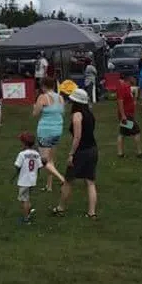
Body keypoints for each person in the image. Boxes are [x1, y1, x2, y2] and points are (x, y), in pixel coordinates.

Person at [52, 89, 99, 219]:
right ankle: (92, 212)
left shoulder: (77, 115)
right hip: (93, 149)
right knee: (90, 182)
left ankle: (60, 208)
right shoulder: (90, 114)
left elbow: (77, 137)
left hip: (81, 151)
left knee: (68, 181)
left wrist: (71, 154)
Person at [14, 132, 64, 225]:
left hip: (24, 181)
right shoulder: (36, 154)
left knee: (24, 199)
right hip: (32, 180)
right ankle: (28, 212)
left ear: (24, 143)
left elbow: (17, 165)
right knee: (27, 197)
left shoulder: (22, 154)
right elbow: (40, 165)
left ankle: (26, 219)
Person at [32, 77, 64, 192]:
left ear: (43, 86)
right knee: (51, 160)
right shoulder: (60, 98)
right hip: (57, 130)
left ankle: (62, 179)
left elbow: (35, 113)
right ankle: (49, 186)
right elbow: (61, 112)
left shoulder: (42, 97)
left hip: (45, 131)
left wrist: (35, 106)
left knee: (44, 160)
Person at [116, 75, 142, 158]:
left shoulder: (128, 88)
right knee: (136, 131)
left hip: (128, 114)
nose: (135, 81)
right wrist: (123, 115)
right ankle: (139, 152)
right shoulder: (123, 87)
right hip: (126, 115)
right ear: (129, 80)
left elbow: (131, 100)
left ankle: (120, 153)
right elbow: (120, 102)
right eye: (134, 79)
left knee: (122, 133)